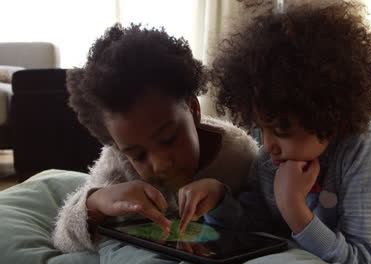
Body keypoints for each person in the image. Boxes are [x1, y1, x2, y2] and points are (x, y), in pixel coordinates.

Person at [181, 1, 371, 264]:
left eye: (282, 130)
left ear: (332, 115)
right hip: (367, 189)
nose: (267, 145)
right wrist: (220, 199)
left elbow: (359, 257)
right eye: (260, 128)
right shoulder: (270, 152)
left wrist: (293, 206)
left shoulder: (368, 154)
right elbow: (257, 218)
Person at [51, 23, 259, 253]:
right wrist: (96, 203)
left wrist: (221, 197)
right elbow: (64, 239)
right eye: (138, 155)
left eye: (169, 139)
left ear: (193, 108)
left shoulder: (239, 156)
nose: (160, 164)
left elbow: (262, 220)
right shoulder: (118, 163)